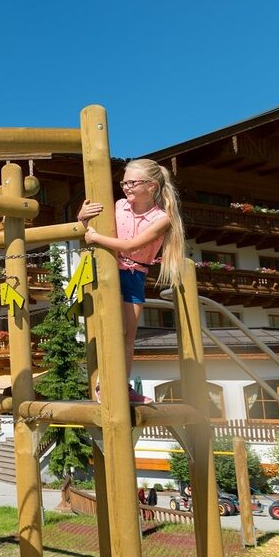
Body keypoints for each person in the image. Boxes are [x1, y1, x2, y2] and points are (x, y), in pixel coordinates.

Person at [77, 158, 185, 403]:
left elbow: (131, 246)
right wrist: (82, 218)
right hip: (110, 270)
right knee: (111, 328)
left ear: (151, 186)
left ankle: (122, 386)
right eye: (124, 183)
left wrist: (96, 238)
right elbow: (90, 227)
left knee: (128, 335)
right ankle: (104, 383)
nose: (126, 187)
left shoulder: (162, 218)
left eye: (132, 183)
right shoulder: (118, 206)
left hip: (135, 274)